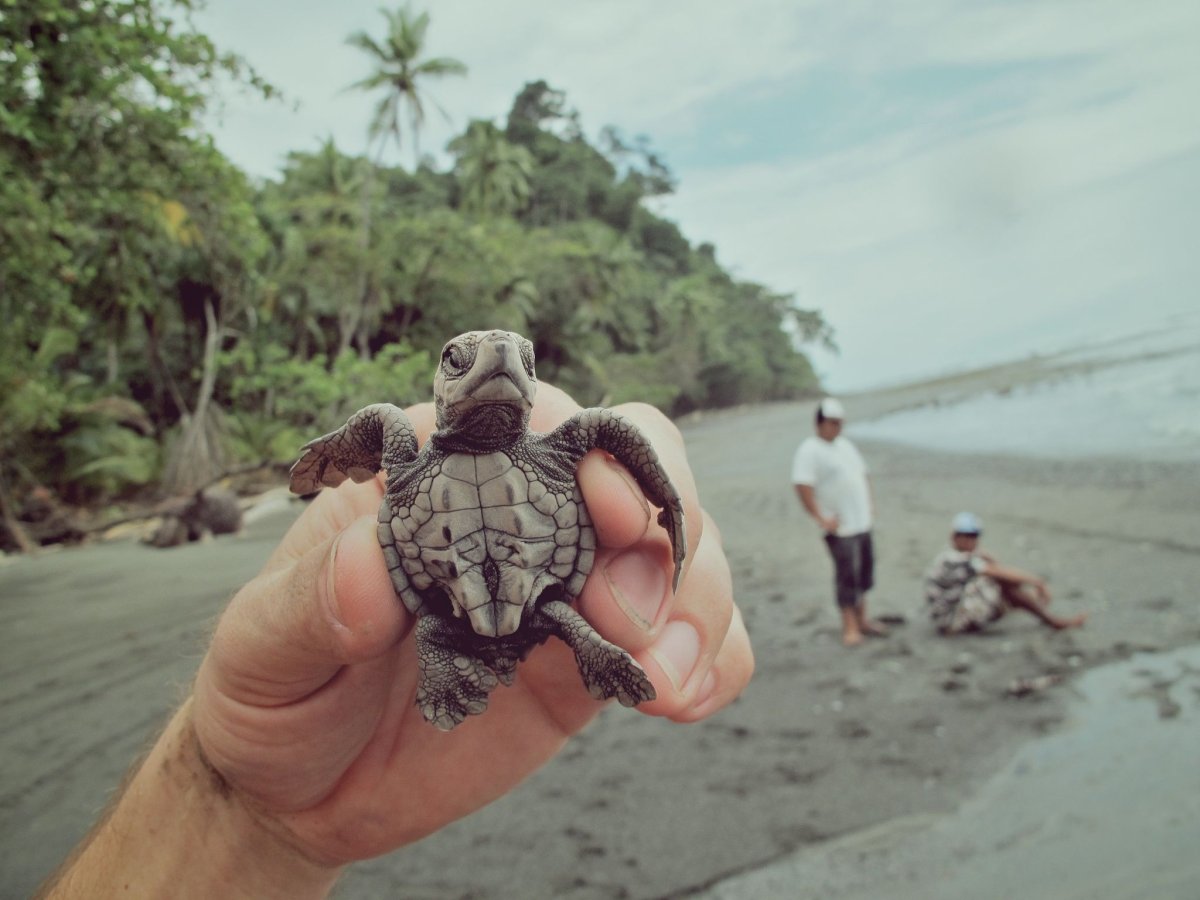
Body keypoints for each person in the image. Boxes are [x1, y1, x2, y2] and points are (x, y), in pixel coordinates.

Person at [35, 383, 754, 899]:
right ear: (444, 384)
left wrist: (664, 505)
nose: (497, 364)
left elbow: (612, 432)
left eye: (518, 360)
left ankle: (595, 649)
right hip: (446, 617)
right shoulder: (403, 455)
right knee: (464, 622)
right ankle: (539, 655)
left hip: (541, 599)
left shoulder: (560, 445)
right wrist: (245, 819)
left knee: (566, 606)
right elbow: (382, 436)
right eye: (466, 360)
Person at [792, 397, 886, 646]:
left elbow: (863, 475)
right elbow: (802, 485)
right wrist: (820, 517)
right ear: (820, 423)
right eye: (833, 423)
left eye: (840, 423)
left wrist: (870, 505)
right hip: (841, 528)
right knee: (847, 576)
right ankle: (850, 626)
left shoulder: (845, 446)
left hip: (862, 522)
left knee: (865, 574)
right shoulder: (810, 450)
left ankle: (863, 619)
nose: (837, 427)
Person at [924, 511, 1087, 634]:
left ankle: (1032, 606)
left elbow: (995, 566)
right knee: (1003, 584)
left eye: (974, 536)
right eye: (965, 536)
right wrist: (1038, 582)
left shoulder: (950, 554)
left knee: (1005, 585)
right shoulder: (956, 559)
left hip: (946, 617)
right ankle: (1053, 621)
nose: (970, 540)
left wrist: (983, 555)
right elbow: (997, 571)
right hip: (950, 622)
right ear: (954, 536)